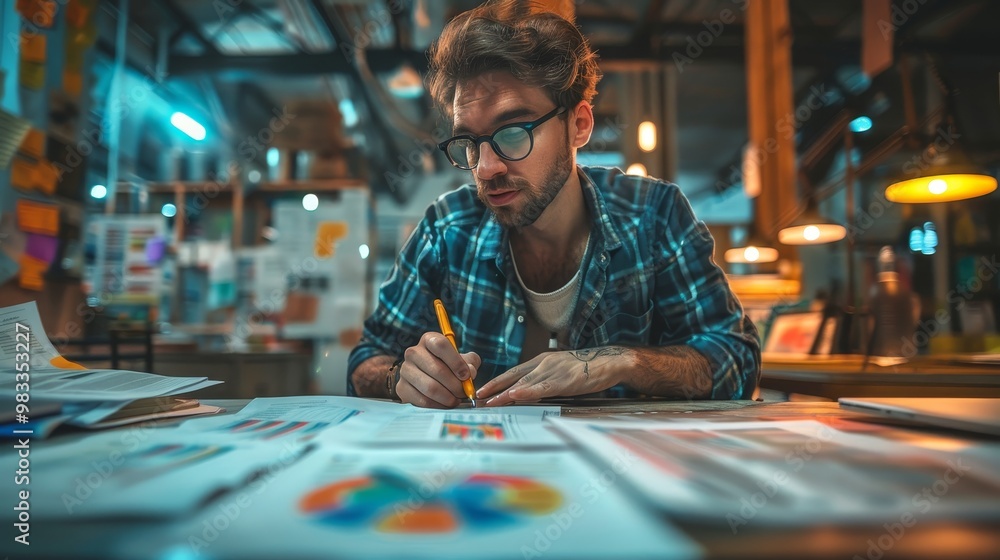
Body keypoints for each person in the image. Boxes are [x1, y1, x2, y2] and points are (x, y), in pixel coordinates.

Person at [347, 0, 760, 408]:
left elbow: (737, 362)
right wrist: (398, 377)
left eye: (512, 132)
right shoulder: (446, 230)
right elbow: (365, 359)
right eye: (469, 143)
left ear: (578, 124)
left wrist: (623, 361)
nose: (486, 168)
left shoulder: (654, 216)